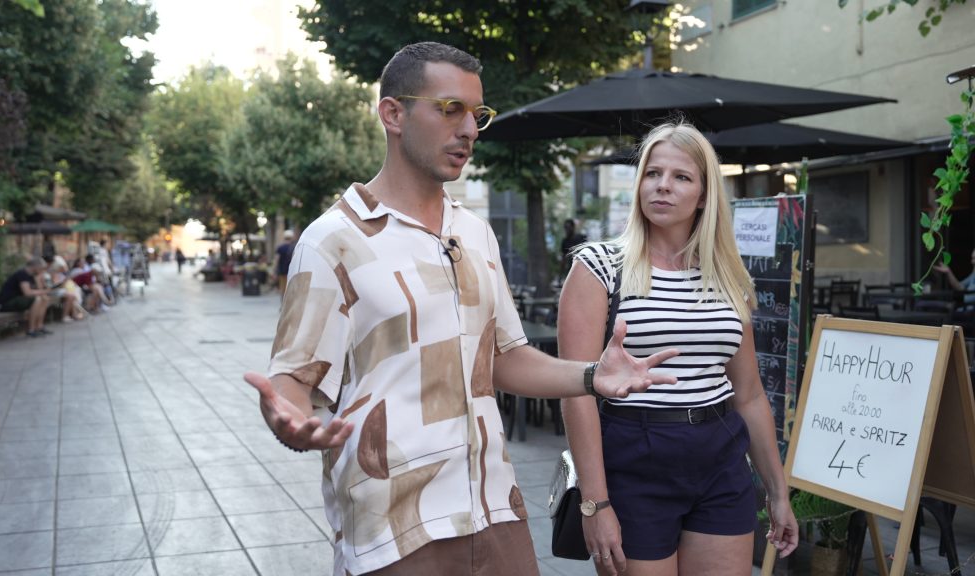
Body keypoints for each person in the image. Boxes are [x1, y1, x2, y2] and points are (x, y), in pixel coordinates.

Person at [242, 42, 680, 576]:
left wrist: (591, 376)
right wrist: (290, 420)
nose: (470, 129)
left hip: (496, 511)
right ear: (393, 113)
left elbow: (505, 357)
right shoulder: (332, 240)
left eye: (478, 113)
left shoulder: (473, 232)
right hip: (393, 529)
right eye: (450, 109)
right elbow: (294, 380)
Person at [558, 121, 798, 576]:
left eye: (681, 177)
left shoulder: (726, 275)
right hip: (635, 456)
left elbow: (747, 394)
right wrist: (595, 503)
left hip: (720, 453)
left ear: (704, 195)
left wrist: (778, 492)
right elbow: (577, 392)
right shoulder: (598, 267)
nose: (662, 186)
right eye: (652, 173)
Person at [0, 257, 52, 337]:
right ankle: (31, 329)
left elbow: (37, 289)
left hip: (18, 300)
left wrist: (41, 281)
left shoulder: (31, 276)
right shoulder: (22, 274)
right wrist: (44, 291)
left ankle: (39, 326)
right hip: (7, 302)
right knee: (37, 299)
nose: (42, 271)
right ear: (35, 266)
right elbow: (28, 293)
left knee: (45, 299)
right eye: (41, 269)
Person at [275, 229, 297, 294]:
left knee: (283, 288)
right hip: (292, 271)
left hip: (282, 271)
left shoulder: (280, 248)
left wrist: (275, 270)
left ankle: (283, 302)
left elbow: (277, 260)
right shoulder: (294, 247)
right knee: (291, 287)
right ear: (292, 238)